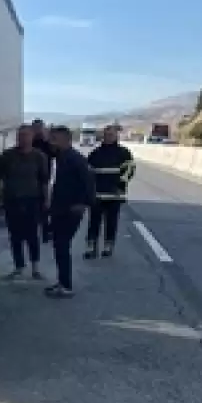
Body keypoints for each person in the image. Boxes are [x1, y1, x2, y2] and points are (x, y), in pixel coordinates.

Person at [45, 125, 96, 298]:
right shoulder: (61, 157)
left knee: (62, 245)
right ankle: (62, 282)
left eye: (54, 139)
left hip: (70, 210)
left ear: (65, 140)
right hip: (60, 208)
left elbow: (89, 182)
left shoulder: (75, 159)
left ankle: (66, 285)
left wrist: (82, 203)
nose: (51, 142)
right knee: (59, 246)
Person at [0, 124, 50, 279]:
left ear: (32, 137)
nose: (23, 139)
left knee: (32, 235)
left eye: (26, 135)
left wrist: (46, 200)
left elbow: (44, 180)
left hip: (32, 200)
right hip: (12, 200)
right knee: (15, 235)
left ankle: (35, 267)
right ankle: (18, 266)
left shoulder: (39, 157)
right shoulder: (7, 155)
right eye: (20, 136)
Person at [85, 125, 136, 259]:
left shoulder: (124, 153)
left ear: (116, 136)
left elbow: (129, 170)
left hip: (115, 195)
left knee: (111, 222)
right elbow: (88, 173)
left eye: (111, 135)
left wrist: (121, 185)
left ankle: (108, 246)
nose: (108, 137)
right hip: (97, 195)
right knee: (93, 222)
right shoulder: (95, 153)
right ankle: (91, 247)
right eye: (106, 135)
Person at [31, 119, 55, 242]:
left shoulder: (47, 144)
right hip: (31, 181)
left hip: (44, 180)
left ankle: (46, 232)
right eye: (35, 128)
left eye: (39, 128)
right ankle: (35, 232)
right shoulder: (30, 144)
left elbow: (56, 154)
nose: (38, 130)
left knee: (45, 206)